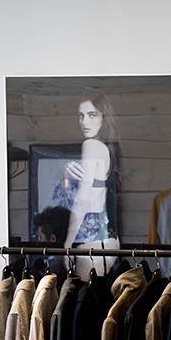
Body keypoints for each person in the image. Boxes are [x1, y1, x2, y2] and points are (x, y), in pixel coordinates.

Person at [51, 91, 121, 249]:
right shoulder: (105, 148)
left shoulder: (91, 145)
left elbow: (82, 199)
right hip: (104, 235)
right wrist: (66, 175)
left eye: (92, 115)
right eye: (81, 116)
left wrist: (68, 243)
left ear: (103, 117)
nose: (84, 122)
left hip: (86, 236)